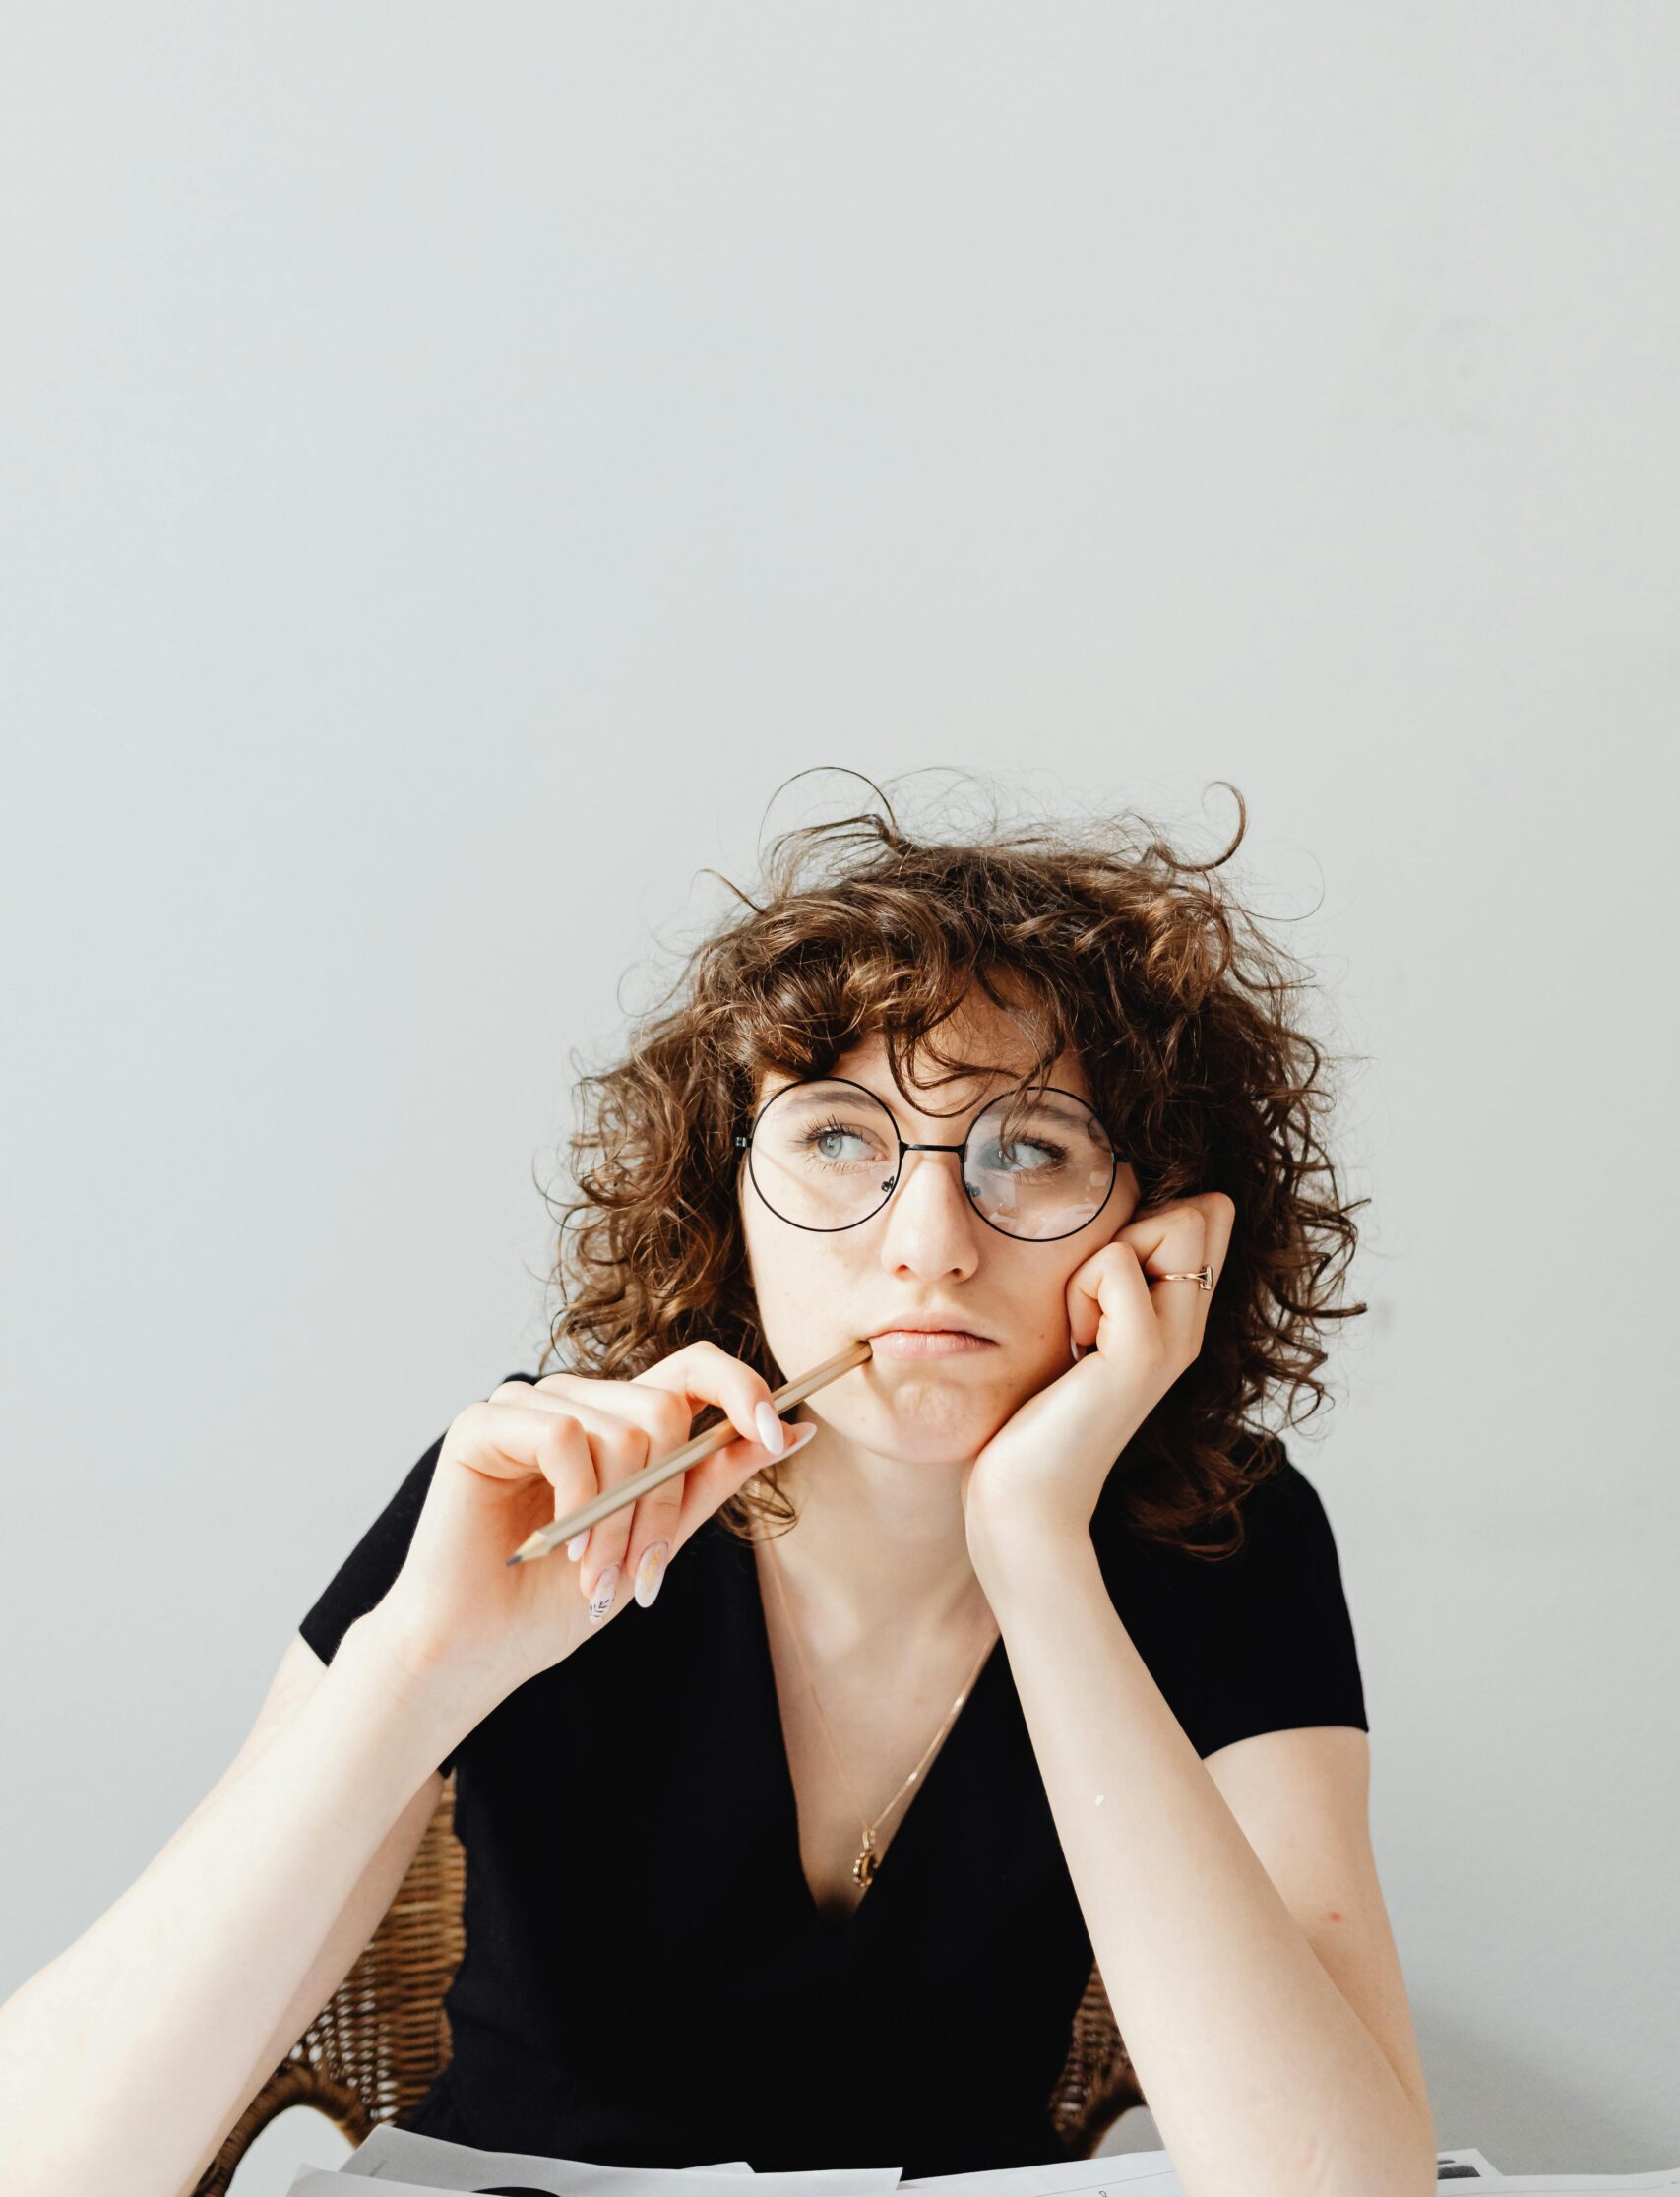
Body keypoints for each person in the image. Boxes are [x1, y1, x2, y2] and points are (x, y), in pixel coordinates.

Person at [0, 782, 1438, 2197]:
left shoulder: (1220, 1530)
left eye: (1031, 1148)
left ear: (1161, 1227)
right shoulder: (532, 1490)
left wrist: (1036, 1547)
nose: (928, 1242)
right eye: (833, 1138)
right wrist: (419, 1672)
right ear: (724, 1199)